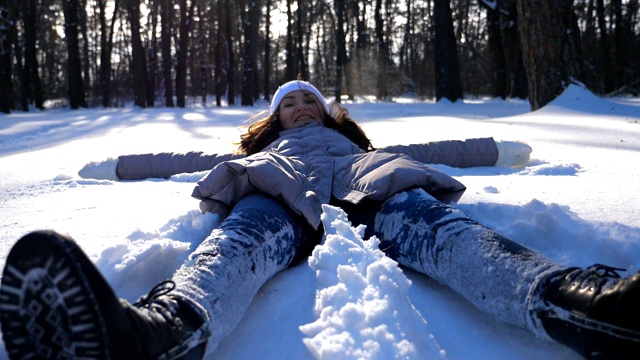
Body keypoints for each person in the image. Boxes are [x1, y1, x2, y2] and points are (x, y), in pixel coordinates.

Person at [0, 80, 637, 360]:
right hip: (277, 192)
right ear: (275, 120)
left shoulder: (360, 148)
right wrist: (114, 165)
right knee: (233, 245)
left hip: (372, 188)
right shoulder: (258, 153)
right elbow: (173, 157)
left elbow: (444, 152)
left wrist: (502, 150)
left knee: (452, 235)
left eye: (311, 100)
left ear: (329, 115)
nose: (302, 106)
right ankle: (158, 335)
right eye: (289, 103)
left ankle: (586, 307)